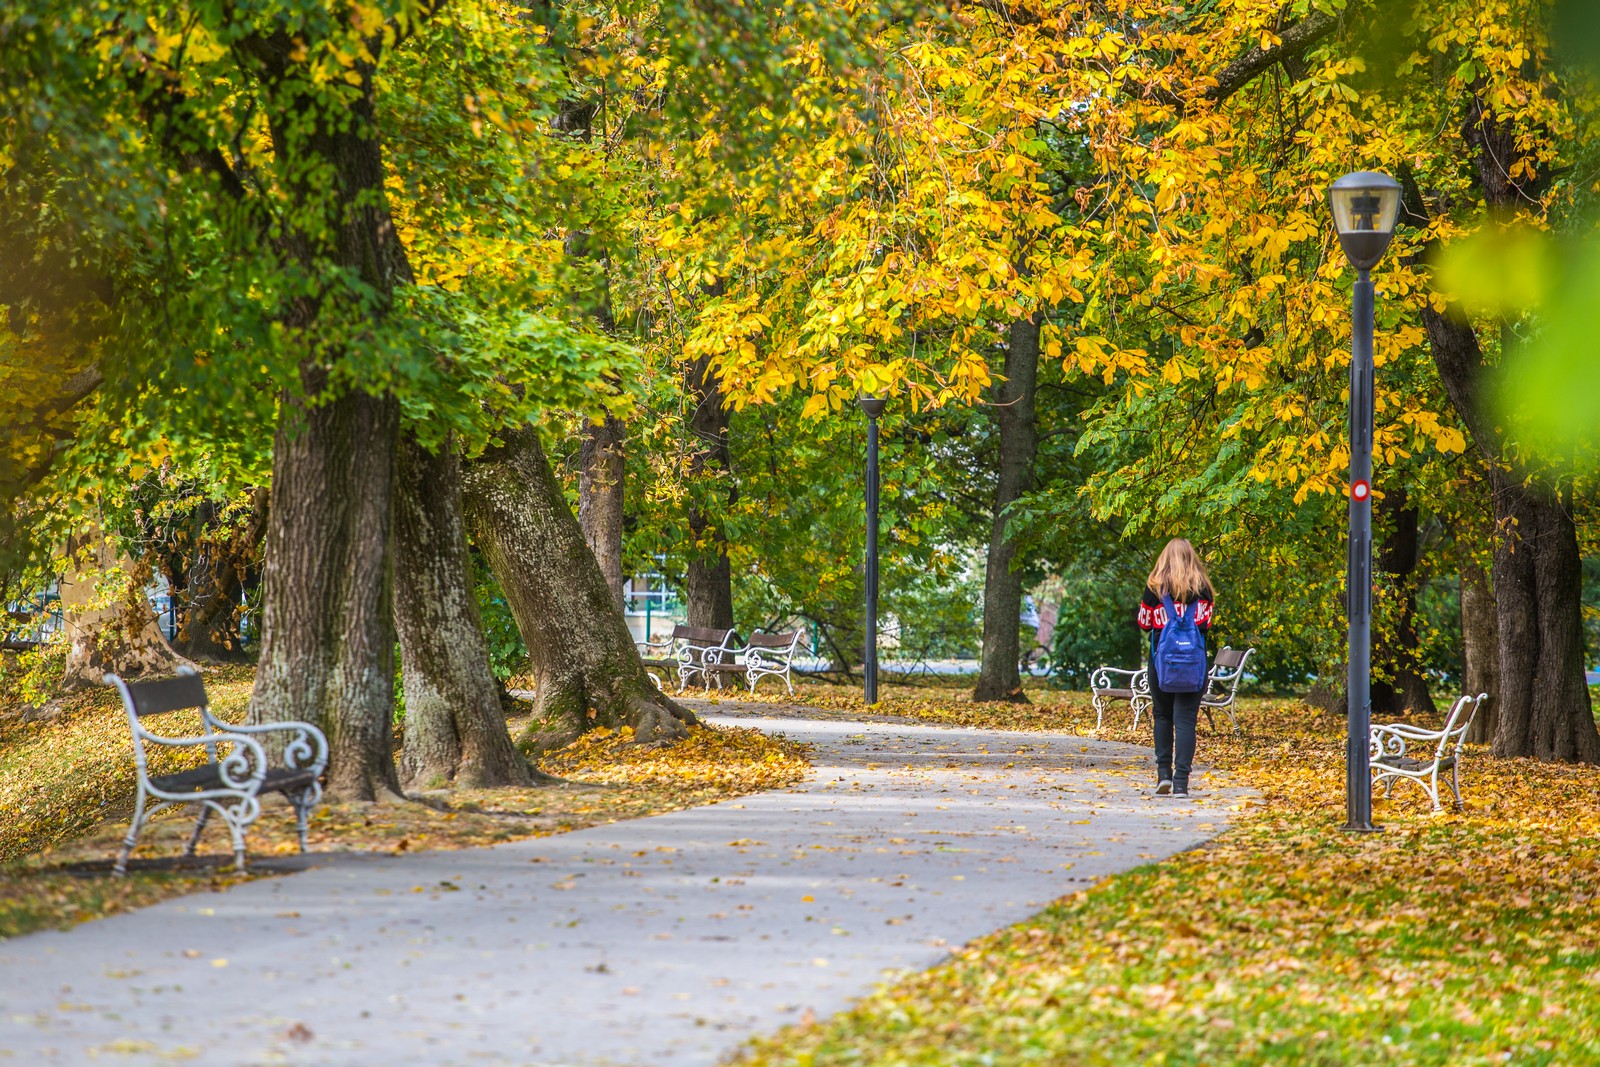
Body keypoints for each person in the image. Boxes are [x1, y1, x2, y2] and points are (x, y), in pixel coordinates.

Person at [1135, 538, 1214, 797]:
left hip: (1162, 665)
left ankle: (1163, 776)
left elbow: (1145, 623)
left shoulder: (1154, 589)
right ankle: (1181, 783)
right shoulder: (1204, 590)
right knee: (1186, 721)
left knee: (1163, 716)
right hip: (1194, 665)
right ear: (1192, 559)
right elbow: (1205, 625)